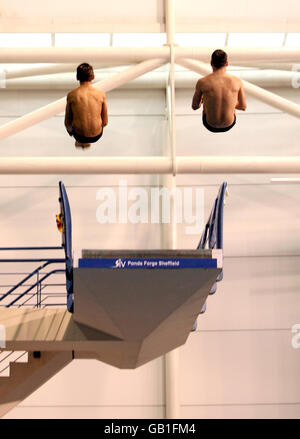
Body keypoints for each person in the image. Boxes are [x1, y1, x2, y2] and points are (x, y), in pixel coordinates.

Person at [192, 49, 246, 133]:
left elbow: (194, 106)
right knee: (232, 106)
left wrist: (203, 101)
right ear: (227, 63)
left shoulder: (202, 82)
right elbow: (243, 107)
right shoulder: (237, 81)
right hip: (229, 124)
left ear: (211, 63)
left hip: (209, 124)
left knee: (205, 102)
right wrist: (231, 103)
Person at [65, 63, 108, 148]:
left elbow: (67, 123)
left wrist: (70, 132)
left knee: (72, 124)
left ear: (77, 77)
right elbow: (105, 122)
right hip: (96, 135)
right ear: (93, 77)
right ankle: (85, 141)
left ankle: (80, 141)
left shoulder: (72, 94)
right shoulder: (101, 94)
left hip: (79, 136)